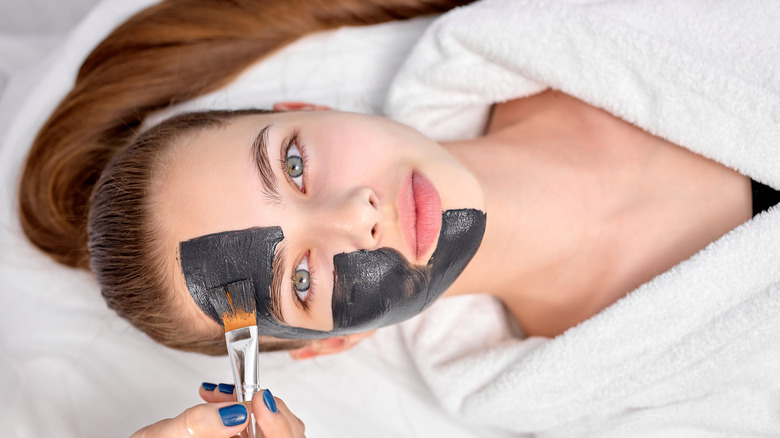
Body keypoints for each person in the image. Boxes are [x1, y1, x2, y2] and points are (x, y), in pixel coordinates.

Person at [17, 0, 780, 436]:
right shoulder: (623, 414)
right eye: (305, 277)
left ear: (304, 109)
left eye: (292, 167)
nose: (356, 216)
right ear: (334, 344)